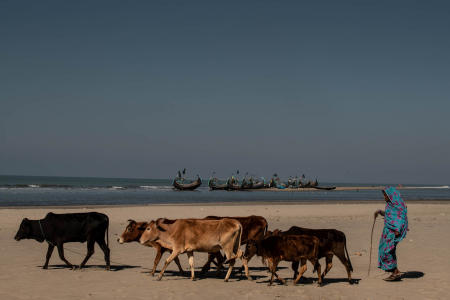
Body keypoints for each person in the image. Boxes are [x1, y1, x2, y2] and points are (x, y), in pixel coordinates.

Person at [374, 187, 408, 281]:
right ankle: (395, 271)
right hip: (387, 231)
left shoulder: (399, 206)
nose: (384, 197)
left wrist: (397, 229)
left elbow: (401, 218)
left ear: (391, 196)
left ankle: (395, 272)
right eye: (384, 195)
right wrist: (381, 212)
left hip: (394, 232)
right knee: (387, 250)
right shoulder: (390, 205)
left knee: (387, 250)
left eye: (385, 195)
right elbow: (390, 215)